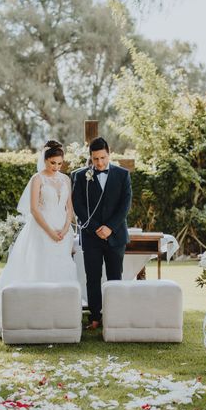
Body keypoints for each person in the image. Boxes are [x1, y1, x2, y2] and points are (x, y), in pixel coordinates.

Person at [0, 140, 78, 339]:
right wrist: (50, 231)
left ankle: (59, 316)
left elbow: (69, 207)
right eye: (52, 163)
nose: (56, 167)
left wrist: (66, 228)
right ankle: (33, 316)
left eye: (59, 163)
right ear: (45, 160)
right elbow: (33, 209)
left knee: (61, 268)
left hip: (62, 232)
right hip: (42, 230)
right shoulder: (37, 179)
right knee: (39, 269)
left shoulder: (65, 180)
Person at [72, 137, 132, 330]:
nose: (99, 163)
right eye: (95, 159)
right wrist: (96, 228)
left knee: (115, 276)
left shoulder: (123, 175)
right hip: (91, 237)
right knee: (93, 277)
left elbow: (125, 205)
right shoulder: (80, 176)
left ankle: (115, 316)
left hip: (116, 236)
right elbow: (78, 206)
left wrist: (110, 228)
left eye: (103, 158)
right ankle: (95, 317)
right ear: (90, 157)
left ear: (109, 153)